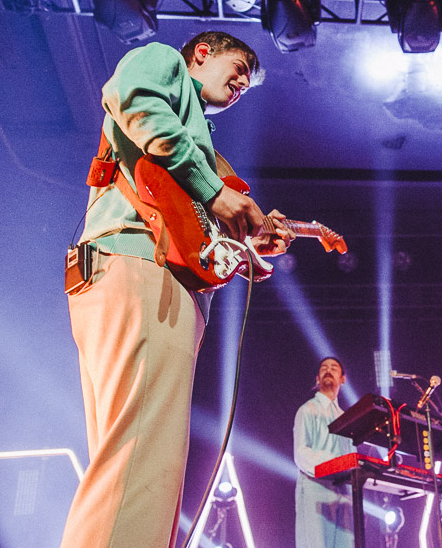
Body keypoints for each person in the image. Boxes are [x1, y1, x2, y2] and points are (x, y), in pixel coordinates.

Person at [62, 31, 295, 547]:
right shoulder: (162, 60)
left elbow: (192, 233)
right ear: (203, 53)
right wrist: (214, 191)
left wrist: (248, 248)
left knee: (127, 463)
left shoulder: (195, 146)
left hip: (128, 273)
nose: (240, 84)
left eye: (247, 84)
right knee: (146, 462)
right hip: (140, 271)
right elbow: (132, 98)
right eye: (237, 68)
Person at [294, 356, 357, 548]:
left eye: (334, 368)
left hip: (344, 493)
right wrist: (332, 467)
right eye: (324, 368)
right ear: (317, 379)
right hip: (316, 490)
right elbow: (301, 452)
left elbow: (352, 455)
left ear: (343, 378)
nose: (328, 371)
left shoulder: (347, 418)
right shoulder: (307, 410)